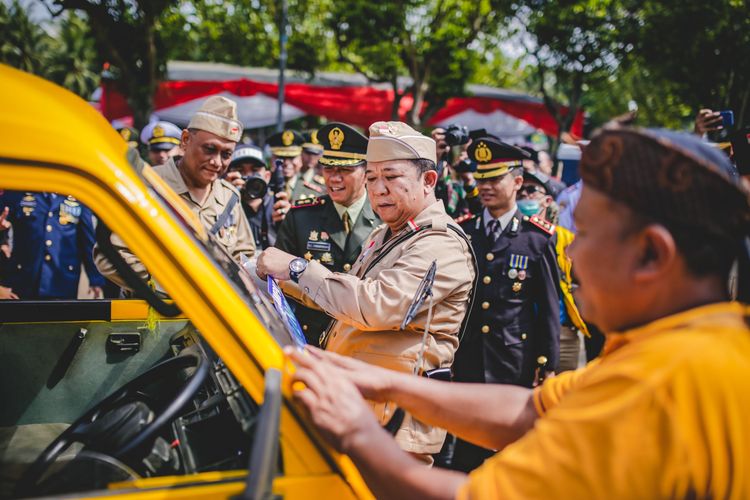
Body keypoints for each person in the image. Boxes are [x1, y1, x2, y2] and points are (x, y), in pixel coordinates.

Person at [284, 126, 750, 499]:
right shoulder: (684, 350)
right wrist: (387, 384)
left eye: (584, 234)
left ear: (651, 254)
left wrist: (357, 432)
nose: (572, 256)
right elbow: (530, 409)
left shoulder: (662, 381)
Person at [257, 121, 476, 463]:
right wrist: (273, 280)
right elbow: (340, 298)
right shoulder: (389, 233)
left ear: (428, 180)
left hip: (394, 425)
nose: (379, 189)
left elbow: (373, 306)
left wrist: (297, 268)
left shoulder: (440, 243)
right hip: (360, 410)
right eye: (372, 178)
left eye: (391, 177)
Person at [450, 138, 560, 471]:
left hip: (514, 360)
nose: (486, 186)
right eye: (481, 178)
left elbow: (549, 307)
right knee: (466, 450)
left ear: (516, 182)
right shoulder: (465, 232)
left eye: (495, 178)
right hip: (468, 358)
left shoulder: (536, 238)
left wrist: (548, 364)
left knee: (509, 452)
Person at [95, 96, 255, 291]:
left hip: (215, 318)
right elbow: (107, 256)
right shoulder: (146, 187)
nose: (217, 162)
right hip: (157, 316)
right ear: (186, 140)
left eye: (226, 154)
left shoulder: (229, 197)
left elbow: (244, 256)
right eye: (209, 149)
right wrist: (170, 284)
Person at [274, 123, 380, 345]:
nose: (334, 178)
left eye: (345, 170)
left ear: (366, 172)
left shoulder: (385, 217)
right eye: (329, 168)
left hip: (365, 341)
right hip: (309, 339)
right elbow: (278, 277)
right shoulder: (301, 216)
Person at [520, 170, 590, 372]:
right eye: (521, 190)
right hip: (521, 332)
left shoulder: (566, 239)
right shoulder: (509, 236)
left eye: (532, 190)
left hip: (563, 334)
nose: (525, 195)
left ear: (547, 200)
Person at [0, 191, 104, 299]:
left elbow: (87, 240)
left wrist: (95, 279)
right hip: (24, 278)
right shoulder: (18, 192)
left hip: (62, 278)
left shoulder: (78, 195)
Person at [225, 143, 290, 250]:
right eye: (241, 170)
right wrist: (226, 196)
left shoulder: (278, 204)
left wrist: (288, 223)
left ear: (267, 176)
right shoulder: (223, 204)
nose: (249, 176)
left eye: (255, 170)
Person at [267, 129, 325, 202]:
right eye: (281, 157)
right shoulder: (263, 188)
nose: (286, 163)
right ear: (271, 159)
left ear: (300, 158)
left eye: (292, 157)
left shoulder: (315, 191)